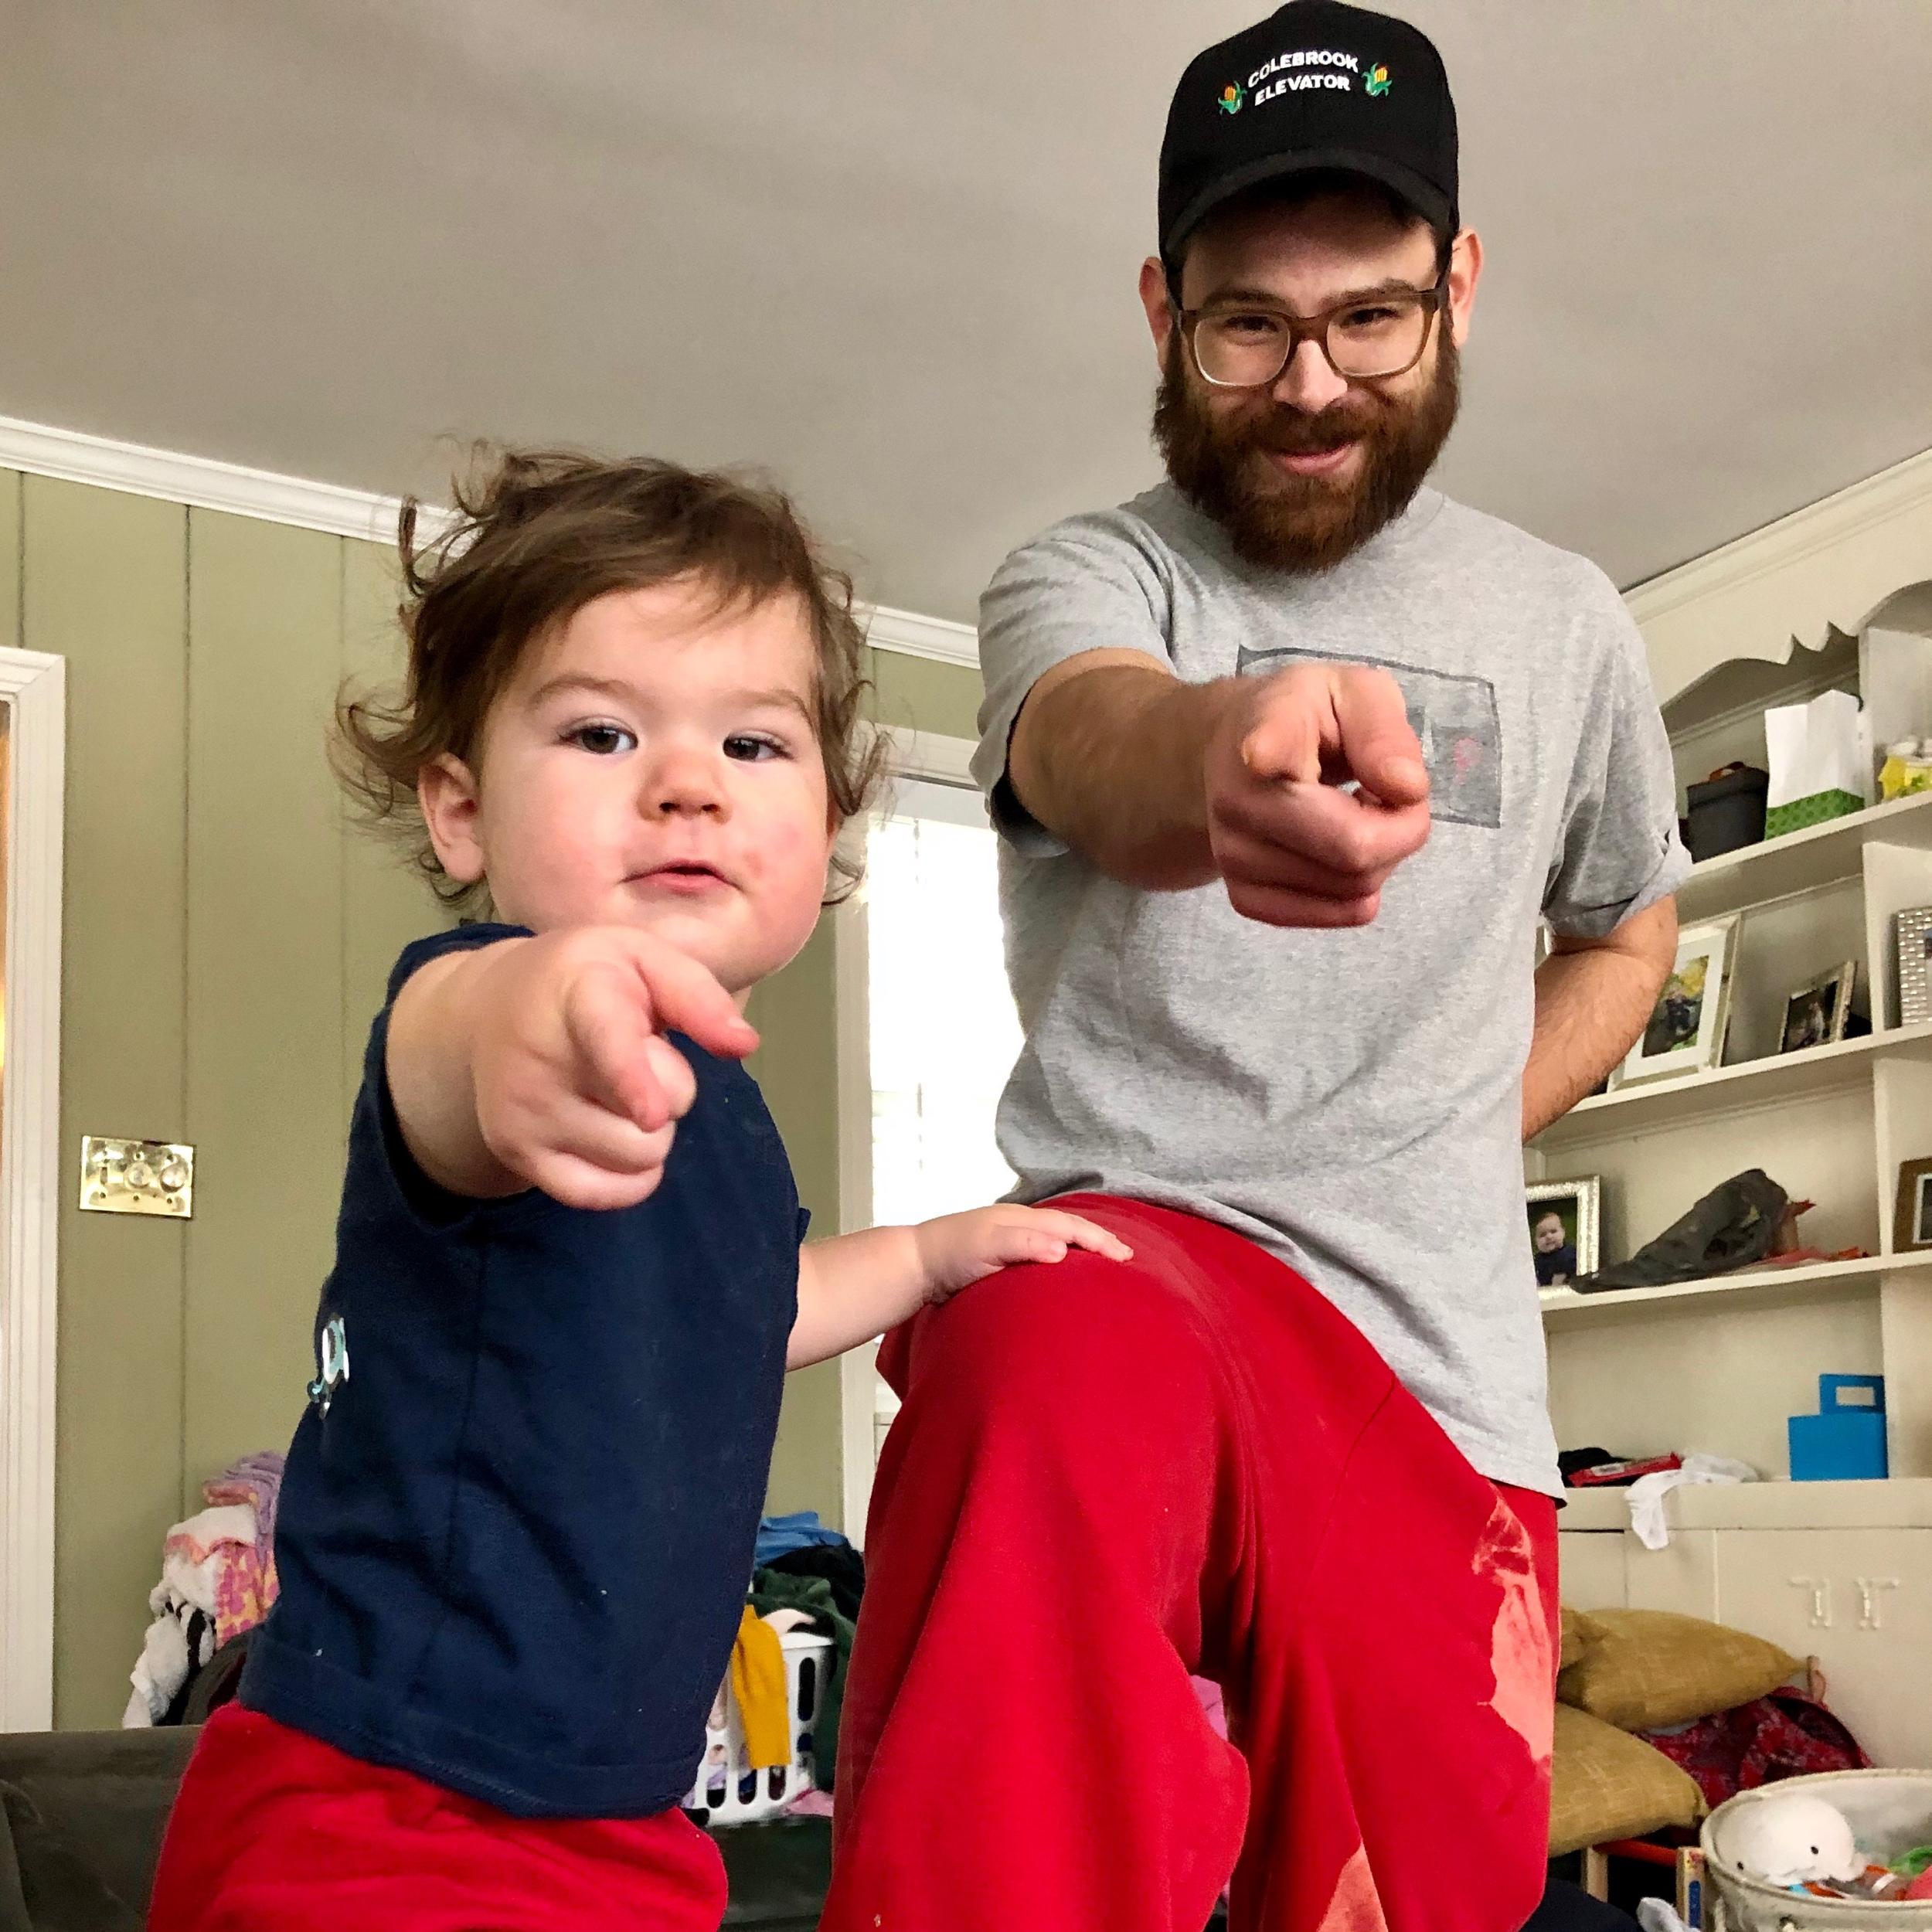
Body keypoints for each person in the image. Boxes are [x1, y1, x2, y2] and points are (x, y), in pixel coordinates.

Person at [821, 5, 1686, 1930]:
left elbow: (1629, 921)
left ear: (1458, 288)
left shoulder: (1567, 622)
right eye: (1245, 327)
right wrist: (1215, 762)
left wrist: (1453, 1122)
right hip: (1137, 1275)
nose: (1309, 385)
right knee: (1024, 1360)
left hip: (1437, 1387)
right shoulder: (1084, 576)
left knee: (1425, 1895)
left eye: (1369, 318)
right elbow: (1092, 738)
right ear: (1161, 312)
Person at [145, 450, 1127, 1932]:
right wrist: (536, 1026)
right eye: (603, 732)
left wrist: (931, 1253)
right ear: (462, 811)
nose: (686, 783)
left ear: (828, 824)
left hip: (619, 1801)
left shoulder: (724, 1107)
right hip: (388, 1794)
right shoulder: (480, 1000)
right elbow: (458, 1056)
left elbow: (755, 1308)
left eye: (754, 743)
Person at [1533, 1210, 1579, 1289]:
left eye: (1553, 1232)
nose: (1549, 1237)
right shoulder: (1536, 1260)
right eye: (1542, 1235)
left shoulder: (1570, 1253)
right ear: (1536, 1242)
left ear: (1563, 1233)